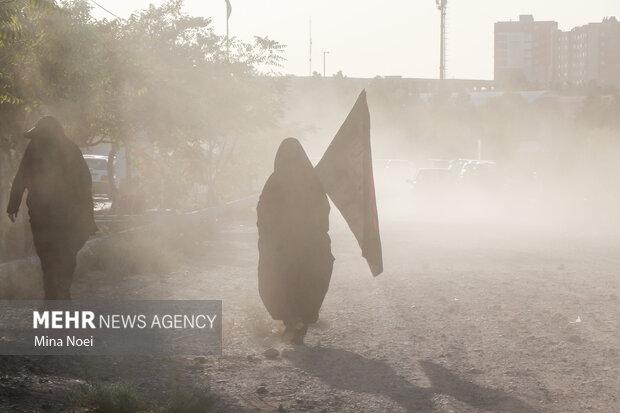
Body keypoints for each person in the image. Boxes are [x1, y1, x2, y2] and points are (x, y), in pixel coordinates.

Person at [6, 116, 97, 299]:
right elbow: (85, 185)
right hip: (59, 219)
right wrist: (88, 219)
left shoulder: (38, 149)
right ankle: (57, 298)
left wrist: (13, 205)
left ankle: (55, 298)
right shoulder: (70, 149)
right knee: (61, 259)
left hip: (48, 218)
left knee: (51, 259)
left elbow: (21, 177)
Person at [257, 138, 334, 344]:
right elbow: (324, 212)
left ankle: (293, 322)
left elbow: (263, 214)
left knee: (279, 284)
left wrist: (269, 240)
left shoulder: (274, 181)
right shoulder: (313, 180)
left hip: (282, 249)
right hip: (310, 247)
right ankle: (298, 323)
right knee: (308, 284)